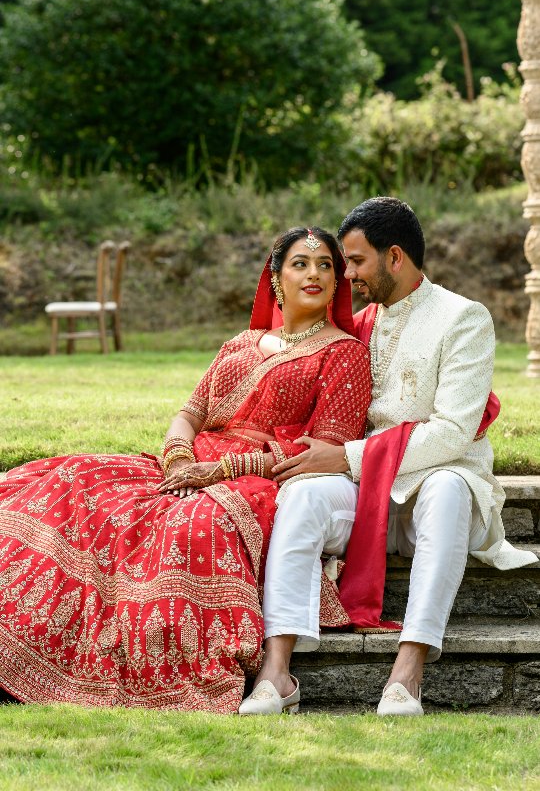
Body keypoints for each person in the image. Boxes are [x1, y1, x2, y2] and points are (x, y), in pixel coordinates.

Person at [0, 226, 370, 712]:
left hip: (263, 480)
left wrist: (221, 470)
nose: (314, 274)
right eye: (300, 263)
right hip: (186, 464)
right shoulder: (241, 343)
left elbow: (322, 451)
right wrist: (179, 454)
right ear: (276, 278)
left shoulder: (344, 353)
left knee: (192, 524)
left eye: (325, 264)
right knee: (74, 480)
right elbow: (190, 413)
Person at [239, 197, 537, 717]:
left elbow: (452, 431)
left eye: (355, 262)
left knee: (445, 488)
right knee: (305, 494)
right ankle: (277, 670)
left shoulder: (464, 318)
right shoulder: (359, 325)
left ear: (394, 257)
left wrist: (349, 457)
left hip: (439, 486)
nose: (345, 274)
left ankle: (408, 671)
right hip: (368, 498)